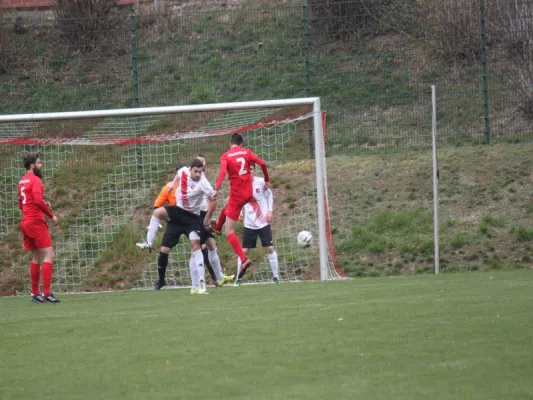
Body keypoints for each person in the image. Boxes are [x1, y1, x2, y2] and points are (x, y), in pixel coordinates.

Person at [142, 158, 217, 294]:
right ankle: (148, 243)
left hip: (192, 218)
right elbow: (178, 173)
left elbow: (214, 200)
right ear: (190, 169)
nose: (198, 174)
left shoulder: (204, 184)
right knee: (157, 213)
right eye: (196, 171)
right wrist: (172, 183)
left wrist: (206, 219)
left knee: (197, 246)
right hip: (178, 213)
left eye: (200, 172)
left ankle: (202, 284)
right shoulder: (183, 171)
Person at [211, 133, 271, 277]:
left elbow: (222, 173)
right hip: (248, 194)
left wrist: (216, 188)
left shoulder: (226, 156)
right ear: (241, 143)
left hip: (237, 197)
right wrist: (267, 180)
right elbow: (262, 163)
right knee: (227, 203)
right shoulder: (246, 152)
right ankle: (217, 227)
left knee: (230, 231)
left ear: (230, 143)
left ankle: (244, 260)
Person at [17, 153, 60, 303]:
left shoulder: (22, 181)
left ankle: (35, 293)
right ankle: (47, 293)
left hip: (25, 221)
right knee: (49, 255)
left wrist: (37, 206)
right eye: (39, 163)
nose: (41, 165)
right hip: (35, 222)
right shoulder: (36, 180)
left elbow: (22, 204)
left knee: (36, 257)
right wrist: (51, 215)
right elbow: (37, 199)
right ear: (32, 165)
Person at [234, 164, 280, 286]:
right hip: (249, 223)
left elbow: (269, 195)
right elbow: (238, 200)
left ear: (254, 171)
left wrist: (270, 211)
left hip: (263, 221)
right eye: (247, 170)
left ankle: (276, 277)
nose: (249, 171)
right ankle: (238, 279)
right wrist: (239, 212)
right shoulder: (240, 184)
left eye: (251, 169)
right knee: (243, 251)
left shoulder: (261, 182)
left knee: (269, 248)